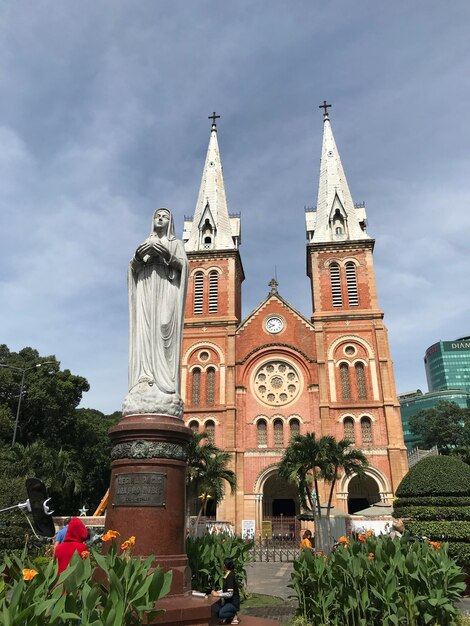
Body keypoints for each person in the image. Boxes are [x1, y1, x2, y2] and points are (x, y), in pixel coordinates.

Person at [123, 208, 189, 418]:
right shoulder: (144, 243)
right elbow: (132, 270)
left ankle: (164, 382)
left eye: (165, 216)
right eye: (157, 216)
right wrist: (137, 257)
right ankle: (145, 378)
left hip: (166, 291)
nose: (160, 218)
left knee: (163, 327)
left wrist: (166, 254)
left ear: (170, 222)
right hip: (146, 293)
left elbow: (184, 268)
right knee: (145, 335)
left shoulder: (176, 244)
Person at [211, 557, 241, 625]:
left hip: (233, 603)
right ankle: (230, 616)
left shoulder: (230, 576)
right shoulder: (228, 575)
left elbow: (230, 593)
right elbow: (225, 590)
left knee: (221, 614)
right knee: (216, 611)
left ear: (225, 565)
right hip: (228, 602)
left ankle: (233, 615)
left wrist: (218, 595)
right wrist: (217, 592)